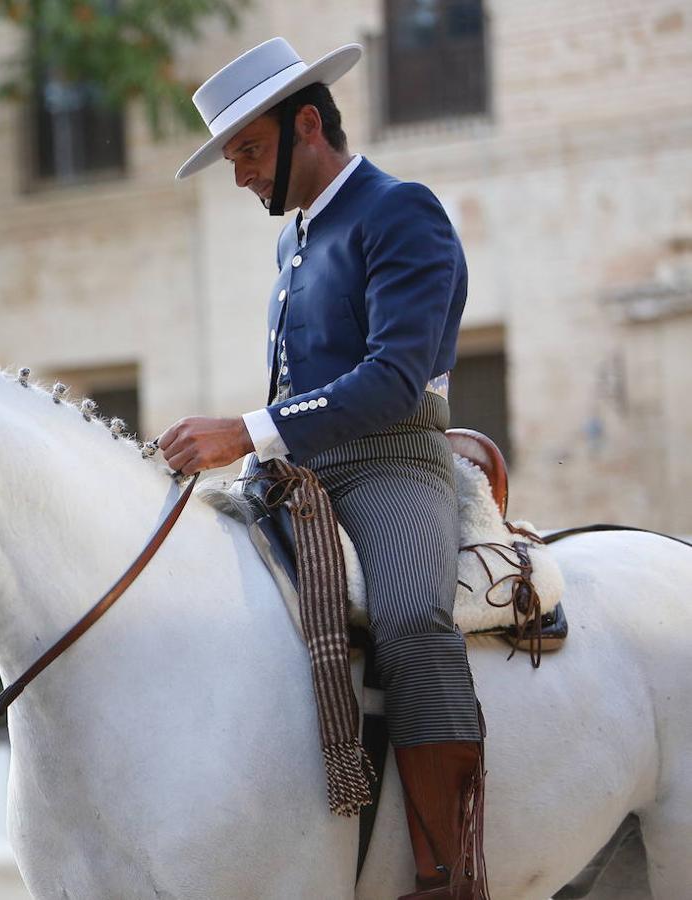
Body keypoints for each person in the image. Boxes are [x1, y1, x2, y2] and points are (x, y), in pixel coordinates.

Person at [161, 38, 487, 899]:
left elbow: (390, 378)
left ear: (308, 124)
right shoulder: (291, 244)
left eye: (248, 152)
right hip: (300, 470)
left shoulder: (400, 211)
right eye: (232, 157)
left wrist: (246, 429)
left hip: (392, 462)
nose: (238, 175)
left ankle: (450, 869)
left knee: (414, 618)